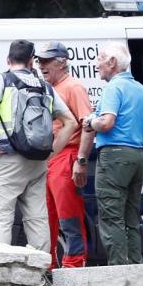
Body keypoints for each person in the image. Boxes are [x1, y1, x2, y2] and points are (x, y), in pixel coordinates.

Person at [0, 40, 78, 252]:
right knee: (37, 218)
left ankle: (1, 269)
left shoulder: (2, 80)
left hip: (7, 159)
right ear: (31, 62)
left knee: (2, 219)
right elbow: (70, 122)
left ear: (8, 60)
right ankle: (40, 268)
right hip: (37, 162)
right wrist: (51, 153)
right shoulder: (45, 87)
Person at [83, 41, 143, 265]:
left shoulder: (113, 88)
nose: (96, 65)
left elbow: (106, 123)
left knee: (111, 215)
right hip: (137, 156)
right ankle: (135, 265)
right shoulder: (140, 89)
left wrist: (90, 122)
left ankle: (118, 269)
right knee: (131, 216)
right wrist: (130, 126)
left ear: (112, 62)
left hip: (114, 156)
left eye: (100, 59)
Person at [35, 41, 94, 269]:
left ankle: (75, 265)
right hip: (48, 159)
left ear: (62, 63)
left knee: (69, 216)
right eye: (39, 61)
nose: (41, 65)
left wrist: (80, 160)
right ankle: (47, 266)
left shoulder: (73, 87)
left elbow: (88, 125)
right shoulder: (49, 88)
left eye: (47, 60)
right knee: (46, 217)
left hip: (66, 156)